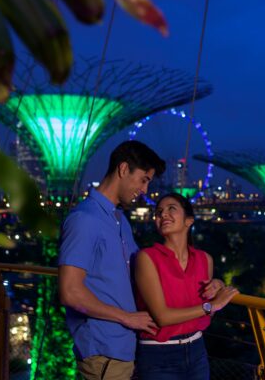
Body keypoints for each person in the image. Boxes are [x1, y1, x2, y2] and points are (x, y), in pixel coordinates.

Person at [58, 140, 166, 380]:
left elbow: (144, 271)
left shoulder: (119, 220)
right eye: (144, 180)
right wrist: (126, 317)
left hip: (122, 348)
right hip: (103, 352)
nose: (145, 190)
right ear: (124, 169)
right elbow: (70, 292)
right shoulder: (85, 219)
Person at [134, 192, 239, 380]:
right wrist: (211, 305)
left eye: (171, 209)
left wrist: (218, 286)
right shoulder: (147, 258)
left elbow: (208, 314)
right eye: (158, 212)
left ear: (189, 220)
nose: (163, 214)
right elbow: (163, 317)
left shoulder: (205, 259)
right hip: (159, 355)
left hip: (197, 350)